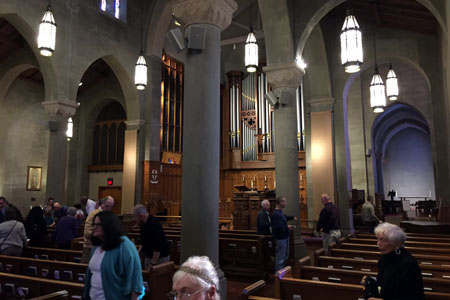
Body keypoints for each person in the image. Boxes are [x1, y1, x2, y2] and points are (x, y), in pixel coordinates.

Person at [83, 210, 144, 300]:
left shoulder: (125, 246)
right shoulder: (97, 246)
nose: (94, 228)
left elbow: (135, 279)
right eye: (94, 224)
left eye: (98, 225)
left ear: (108, 226)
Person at [362, 222, 425, 300]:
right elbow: (384, 287)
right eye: (378, 239)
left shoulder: (408, 263)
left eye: (382, 240)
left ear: (396, 243)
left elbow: (413, 296)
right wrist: (371, 283)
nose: (378, 243)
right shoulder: (384, 259)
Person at [133, 204, 170, 268]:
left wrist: (153, 263)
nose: (134, 219)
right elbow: (144, 241)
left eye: (135, 217)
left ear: (141, 216)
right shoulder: (143, 223)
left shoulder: (154, 224)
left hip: (159, 258)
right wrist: (139, 254)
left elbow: (158, 246)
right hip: (149, 256)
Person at [81, 196, 114, 263]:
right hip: (90, 247)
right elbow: (87, 233)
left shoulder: (108, 215)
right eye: (107, 206)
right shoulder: (93, 214)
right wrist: (102, 234)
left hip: (102, 247)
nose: (109, 208)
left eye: (111, 207)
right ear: (102, 204)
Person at [271, 196, 296, 271]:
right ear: (280, 202)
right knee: (280, 257)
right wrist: (287, 227)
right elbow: (277, 227)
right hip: (280, 238)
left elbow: (284, 220)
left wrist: (287, 225)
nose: (285, 203)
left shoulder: (280, 212)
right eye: (284, 201)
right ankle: (279, 276)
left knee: (285, 256)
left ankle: (282, 272)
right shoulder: (276, 214)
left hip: (285, 236)